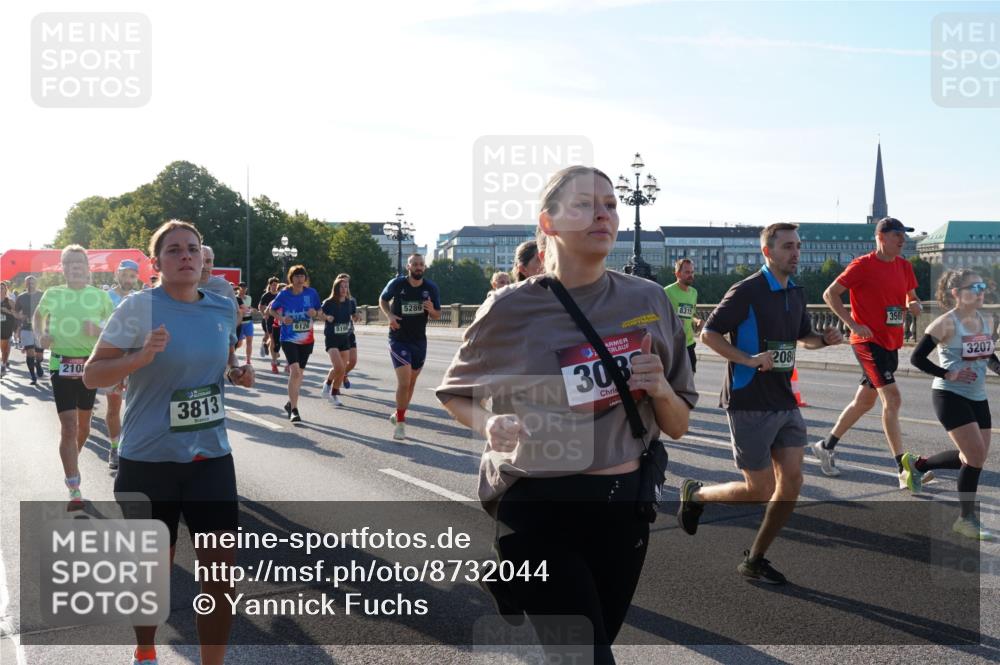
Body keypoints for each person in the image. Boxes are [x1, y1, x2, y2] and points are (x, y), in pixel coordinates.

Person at [437, 166, 696, 664]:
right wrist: (488, 425)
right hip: (538, 508)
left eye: (612, 203)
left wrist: (659, 385)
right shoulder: (508, 309)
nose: (604, 213)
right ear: (548, 223)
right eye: (583, 204)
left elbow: (678, 425)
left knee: (592, 645)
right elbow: (455, 393)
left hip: (624, 509)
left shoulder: (649, 300)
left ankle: (511, 588)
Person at [84, 220, 252, 665]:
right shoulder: (138, 308)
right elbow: (93, 374)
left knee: (219, 576)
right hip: (148, 460)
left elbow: (221, 360)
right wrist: (140, 357)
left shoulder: (222, 307)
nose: (186, 256)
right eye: (174, 250)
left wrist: (236, 372)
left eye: (193, 249)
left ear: (202, 258)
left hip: (210, 458)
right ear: (156, 263)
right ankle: (145, 651)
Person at [679, 223, 844, 585]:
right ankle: (697, 495)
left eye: (798, 246)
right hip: (749, 399)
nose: (795, 252)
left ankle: (755, 558)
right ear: (768, 252)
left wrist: (825, 340)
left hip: (784, 401)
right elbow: (708, 333)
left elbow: (805, 338)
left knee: (792, 483)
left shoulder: (796, 292)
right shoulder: (747, 290)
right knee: (759, 490)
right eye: (787, 246)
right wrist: (748, 358)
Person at [813, 217, 923, 484]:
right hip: (867, 343)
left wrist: (914, 303)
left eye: (904, 236)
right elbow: (830, 294)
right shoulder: (862, 265)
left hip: (891, 341)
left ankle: (826, 446)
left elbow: (911, 296)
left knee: (864, 401)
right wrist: (853, 324)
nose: (903, 240)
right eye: (898, 235)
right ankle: (902, 469)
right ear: (881, 237)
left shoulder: (904, 266)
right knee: (892, 399)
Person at [906, 270, 997, 540]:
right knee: (975, 456)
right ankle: (965, 519)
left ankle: (918, 465)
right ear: (956, 293)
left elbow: (988, 353)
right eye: (974, 287)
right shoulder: (945, 323)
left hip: (978, 396)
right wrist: (948, 373)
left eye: (982, 286)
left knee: (971, 458)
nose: (981, 292)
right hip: (949, 396)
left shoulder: (986, 319)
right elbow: (916, 358)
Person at [33, 245, 115, 506]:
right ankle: (74, 486)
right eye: (70, 263)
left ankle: (71, 459)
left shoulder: (99, 297)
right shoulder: (54, 293)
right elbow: (37, 317)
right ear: (64, 268)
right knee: (69, 428)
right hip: (61, 364)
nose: (76, 267)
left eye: (80, 262)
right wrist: (40, 336)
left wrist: (98, 328)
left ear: (87, 268)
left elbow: (115, 328)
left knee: (84, 427)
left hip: (89, 366)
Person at [380, 254, 441, 440]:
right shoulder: (397, 284)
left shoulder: (430, 288)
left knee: (412, 383)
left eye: (421, 264)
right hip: (399, 338)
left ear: (425, 267)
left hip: (419, 341)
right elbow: (382, 300)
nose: (418, 267)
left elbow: (438, 314)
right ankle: (400, 424)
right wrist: (390, 316)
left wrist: (431, 310)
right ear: (408, 266)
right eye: (414, 264)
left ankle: (399, 414)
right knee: (404, 382)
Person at [265, 265, 321, 422]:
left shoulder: (311, 293)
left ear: (305, 278)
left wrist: (315, 313)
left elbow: (319, 311)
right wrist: (282, 319)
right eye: (296, 276)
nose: (300, 279)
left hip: (307, 339)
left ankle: (290, 403)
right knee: (295, 372)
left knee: (299, 375)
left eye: (302, 275)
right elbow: (271, 310)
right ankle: (295, 410)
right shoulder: (284, 294)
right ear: (291, 278)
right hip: (288, 338)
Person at [104, 259, 142, 469]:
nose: (128, 278)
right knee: (114, 407)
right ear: (118, 275)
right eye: (125, 274)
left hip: (138, 360)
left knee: (139, 405)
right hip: (114, 360)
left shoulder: (141, 298)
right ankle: (114, 447)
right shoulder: (106, 297)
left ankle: (137, 447)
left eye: (132, 275)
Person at [321, 276, 356, 406]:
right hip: (332, 339)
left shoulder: (350, 302)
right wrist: (326, 317)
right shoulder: (329, 302)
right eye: (341, 287)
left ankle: (331, 388)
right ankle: (331, 390)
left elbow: (353, 314)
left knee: (340, 369)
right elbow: (319, 313)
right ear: (336, 288)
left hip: (344, 338)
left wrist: (356, 316)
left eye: (346, 287)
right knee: (339, 367)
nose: (344, 289)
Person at [664, 258, 703, 373]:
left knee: (691, 376)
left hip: (689, 343)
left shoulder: (694, 292)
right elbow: (658, 317)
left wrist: (697, 321)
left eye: (692, 272)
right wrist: (674, 321)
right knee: (674, 381)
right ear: (677, 273)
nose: (690, 275)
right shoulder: (666, 292)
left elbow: (690, 315)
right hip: (673, 344)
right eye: (687, 272)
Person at [15, 275, 45, 385]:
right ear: (25, 284)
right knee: (30, 352)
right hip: (26, 328)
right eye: (28, 282)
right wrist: (20, 317)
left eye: (32, 282)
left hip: (39, 328)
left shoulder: (42, 295)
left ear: (36, 284)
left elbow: (49, 310)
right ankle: (33, 376)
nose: (30, 284)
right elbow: (16, 312)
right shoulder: (21, 297)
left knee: (39, 354)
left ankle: (38, 364)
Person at [258, 277, 281, 370]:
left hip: (279, 320)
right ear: (270, 285)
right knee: (272, 339)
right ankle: (274, 361)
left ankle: (266, 346)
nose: (275, 287)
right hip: (269, 320)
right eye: (273, 285)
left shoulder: (280, 295)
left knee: (276, 340)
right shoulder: (266, 295)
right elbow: (260, 306)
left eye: (276, 285)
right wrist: (264, 314)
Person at [235, 282, 255, 365]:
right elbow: (242, 310)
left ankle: (248, 360)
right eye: (241, 287)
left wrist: (250, 310)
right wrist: (246, 310)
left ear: (246, 288)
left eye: (244, 288)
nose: (243, 289)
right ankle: (232, 355)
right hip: (239, 323)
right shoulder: (235, 298)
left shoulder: (249, 298)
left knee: (249, 341)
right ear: (238, 288)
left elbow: (248, 308)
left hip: (248, 322)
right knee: (238, 343)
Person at [1, 282, 15, 375]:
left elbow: (16, 314)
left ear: (6, 290)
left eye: (2, 288)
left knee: (4, 348)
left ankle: (3, 364)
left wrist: (7, 311)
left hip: (6, 326)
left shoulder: (9, 301)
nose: (0, 290)